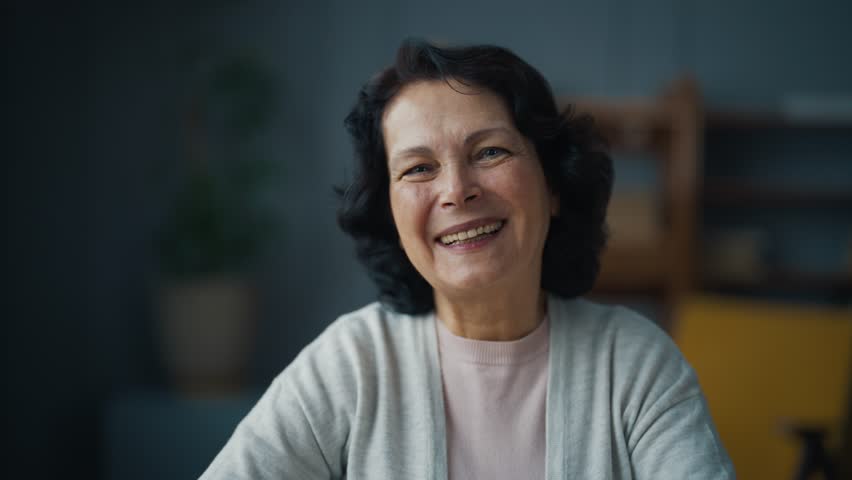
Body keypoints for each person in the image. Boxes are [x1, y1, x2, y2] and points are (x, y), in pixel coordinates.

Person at [200, 39, 735, 479]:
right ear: (389, 211)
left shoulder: (637, 366)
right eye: (417, 169)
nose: (456, 191)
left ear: (552, 184)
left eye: (490, 152)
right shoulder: (350, 365)